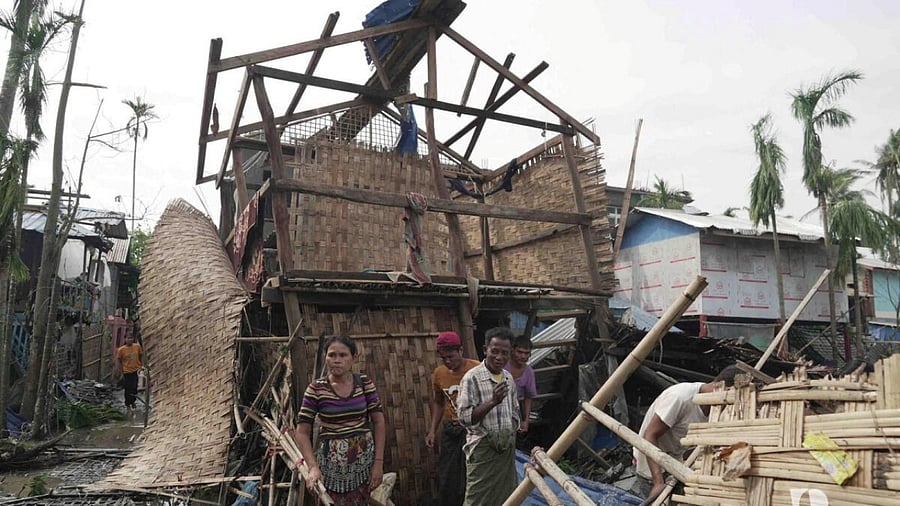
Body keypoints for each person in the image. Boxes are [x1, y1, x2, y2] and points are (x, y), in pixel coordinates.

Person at [294, 335, 387, 506]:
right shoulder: (316, 389)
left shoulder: (364, 383)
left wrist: (378, 464)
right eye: (332, 355)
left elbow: (379, 422)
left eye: (343, 355)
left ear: (354, 358)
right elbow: (302, 432)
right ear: (325, 357)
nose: (337, 360)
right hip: (330, 468)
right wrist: (313, 467)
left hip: (362, 463)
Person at [634, 365, 741, 504]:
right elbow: (650, 435)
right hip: (651, 461)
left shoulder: (718, 410)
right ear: (723, 388)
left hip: (675, 460)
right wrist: (658, 481)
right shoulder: (680, 398)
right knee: (655, 499)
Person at [456, 327, 519, 506]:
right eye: (495, 351)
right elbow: (464, 418)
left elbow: (515, 411)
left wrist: (511, 431)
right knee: (477, 498)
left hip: (506, 447)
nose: (499, 357)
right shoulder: (472, 378)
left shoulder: (508, 378)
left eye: (505, 353)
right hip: (483, 449)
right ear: (485, 350)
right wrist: (493, 401)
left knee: (507, 496)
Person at [425, 331, 480, 506]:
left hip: (472, 429)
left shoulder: (477, 369)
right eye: (444, 358)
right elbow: (439, 402)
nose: (448, 361)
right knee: (447, 472)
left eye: (451, 356)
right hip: (450, 429)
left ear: (461, 350)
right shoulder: (439, 373)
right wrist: (432, 430)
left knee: (469, 471)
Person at [504, 335, 537, 434]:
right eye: (520, 352)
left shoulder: (529, 372)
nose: (523, 356)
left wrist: (525, 421)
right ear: (512, 351)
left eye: (526, 353)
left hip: (515, 412)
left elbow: (528, 397)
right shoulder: (502, 366)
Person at [114, 334, 143, 411]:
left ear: (133, 339)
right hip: (126, 371)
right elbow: (119, 360)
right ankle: (128, 404)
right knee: (128, 388)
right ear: (125, 339)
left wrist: (142, 365)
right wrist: (119, 370)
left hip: (136, 370)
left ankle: (133, 401)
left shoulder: (137, 347)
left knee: (134, 387)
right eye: (128, 338)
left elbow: (141, 356)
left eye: (131, 338)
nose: (130, 340)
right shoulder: (121, 350)